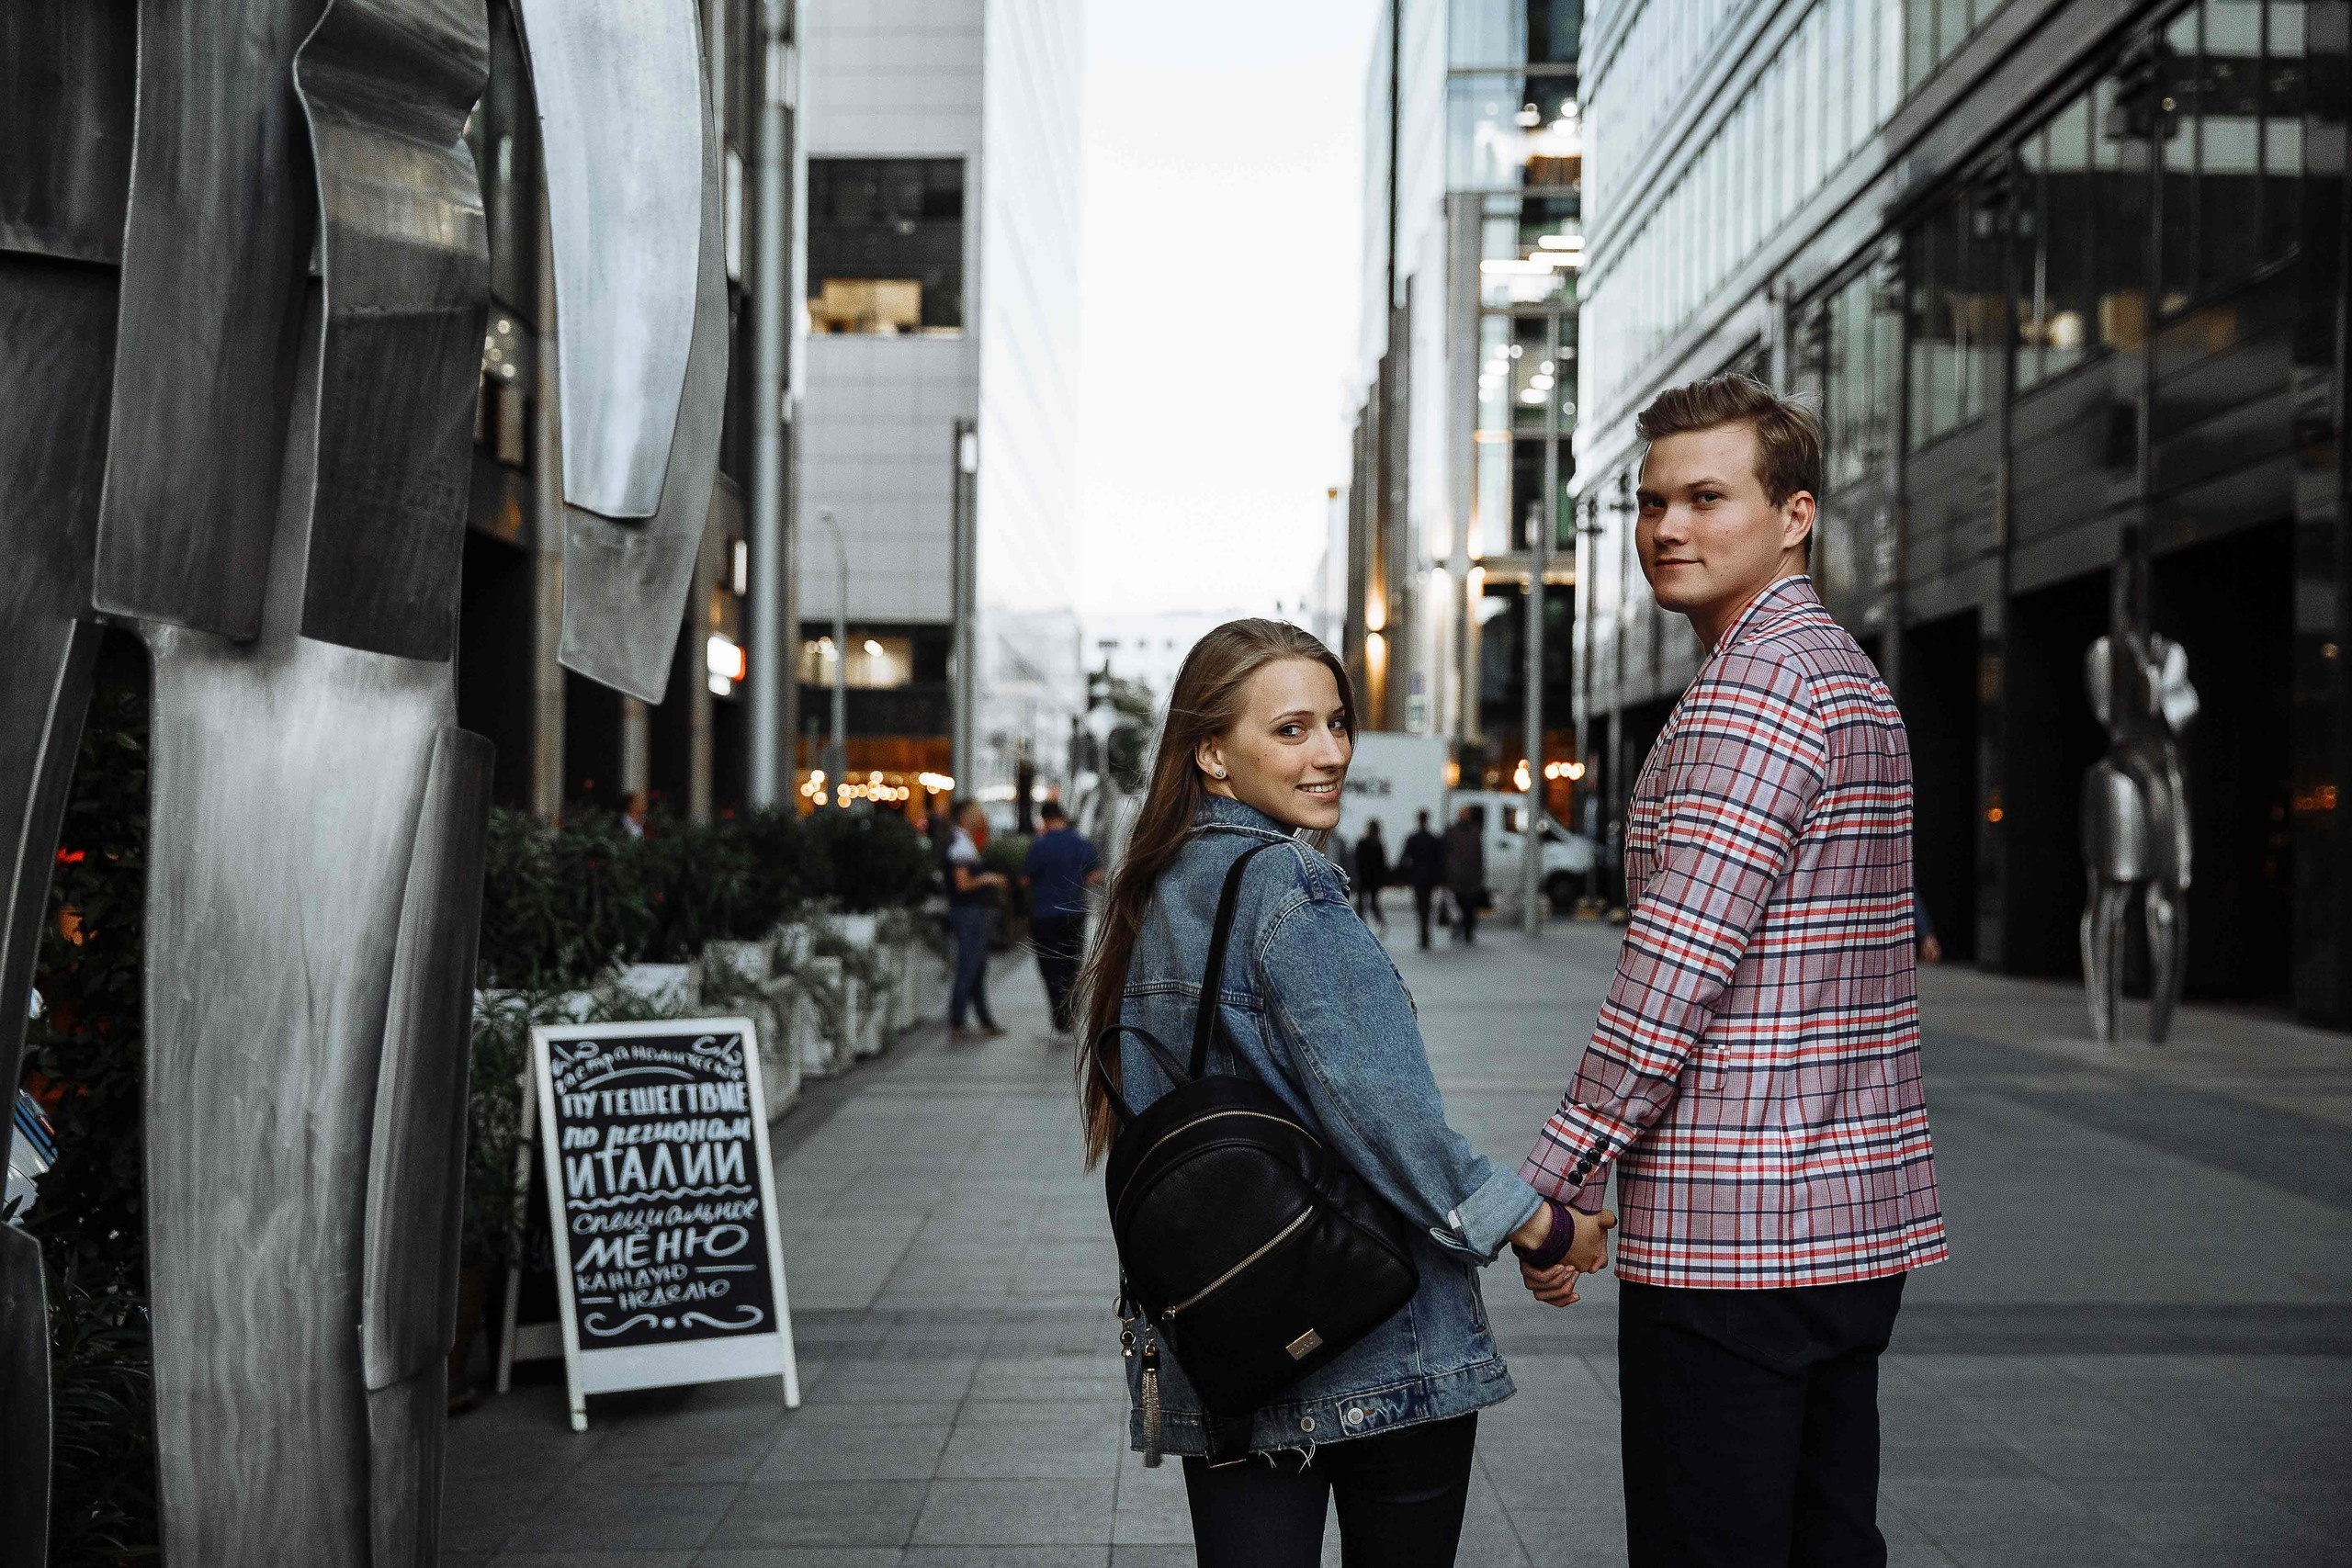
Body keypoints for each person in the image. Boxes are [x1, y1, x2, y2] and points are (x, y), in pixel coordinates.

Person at [1516, 375, 1948, 1568]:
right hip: (1848, 1220)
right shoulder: (1848, 676)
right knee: (1825, 1538)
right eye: (1655, 502)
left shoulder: (1755, 692)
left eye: (1707, 496)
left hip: (1732, 1234)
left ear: (1795, 512)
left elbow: (1675, 970)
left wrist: (1560, 1178)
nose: (1668, 528)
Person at [1077, 619, 1609, 1568]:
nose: (1329, 754)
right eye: (1290, 731)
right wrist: (1539, 1227)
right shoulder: (1289, 888)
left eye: (1334, 723)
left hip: (1228, 1342)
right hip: (1378, 1347)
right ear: (1211, 753)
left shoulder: (1155, 892)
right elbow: (1388, 1118)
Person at [1021, 799, 1102, 1036]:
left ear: (1045, 819)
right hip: (1074, 913)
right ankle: (1071, 1012)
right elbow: (1096, 875)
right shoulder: (1081, 843)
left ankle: (1060, 1016)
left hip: (1045, 915)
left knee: (1050, 966)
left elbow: (1026, 880)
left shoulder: (1040, 845)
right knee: (1072, 963)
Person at [943, 800, 1007, 1041]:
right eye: (974, 813)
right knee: (970, 964)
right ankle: (958, 1020)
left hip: (970, 911)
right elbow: (962, 883)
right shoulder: (960, 845)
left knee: (977, 966)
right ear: (963, 816)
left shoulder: (965, 842)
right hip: (968, 911)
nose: (979, 816)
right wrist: (988, 879)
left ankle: (982, 1019)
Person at [1400, 808, 1445, 950]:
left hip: (1417, 877)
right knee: (1427, 906)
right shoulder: (1433, 839)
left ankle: (1423, 934)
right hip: (1430, 877)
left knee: (1420, 906)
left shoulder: (1413, 838)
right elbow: (1440, 860)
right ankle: (1426, 934)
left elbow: (1404, 858)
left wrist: (1405, 875)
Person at [1442, 805, 1486, 945]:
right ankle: (1459, 929)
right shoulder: (1454, 832)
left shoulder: (1473, 832)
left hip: (1469, 876)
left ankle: (1467, 932)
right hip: (1457, 876)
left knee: (1469, 906)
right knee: (1458, 906)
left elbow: (1479, 855)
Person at [1352, 818, 1390, 933]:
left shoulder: (1362, 843)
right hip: (1374, 879)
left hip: (1363, 877)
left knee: (1361, 904)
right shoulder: (1378, 844)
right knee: (1373, 903)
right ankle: (1379, 923)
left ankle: (1361, 925)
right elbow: (1383, 864)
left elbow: (1357, 861)